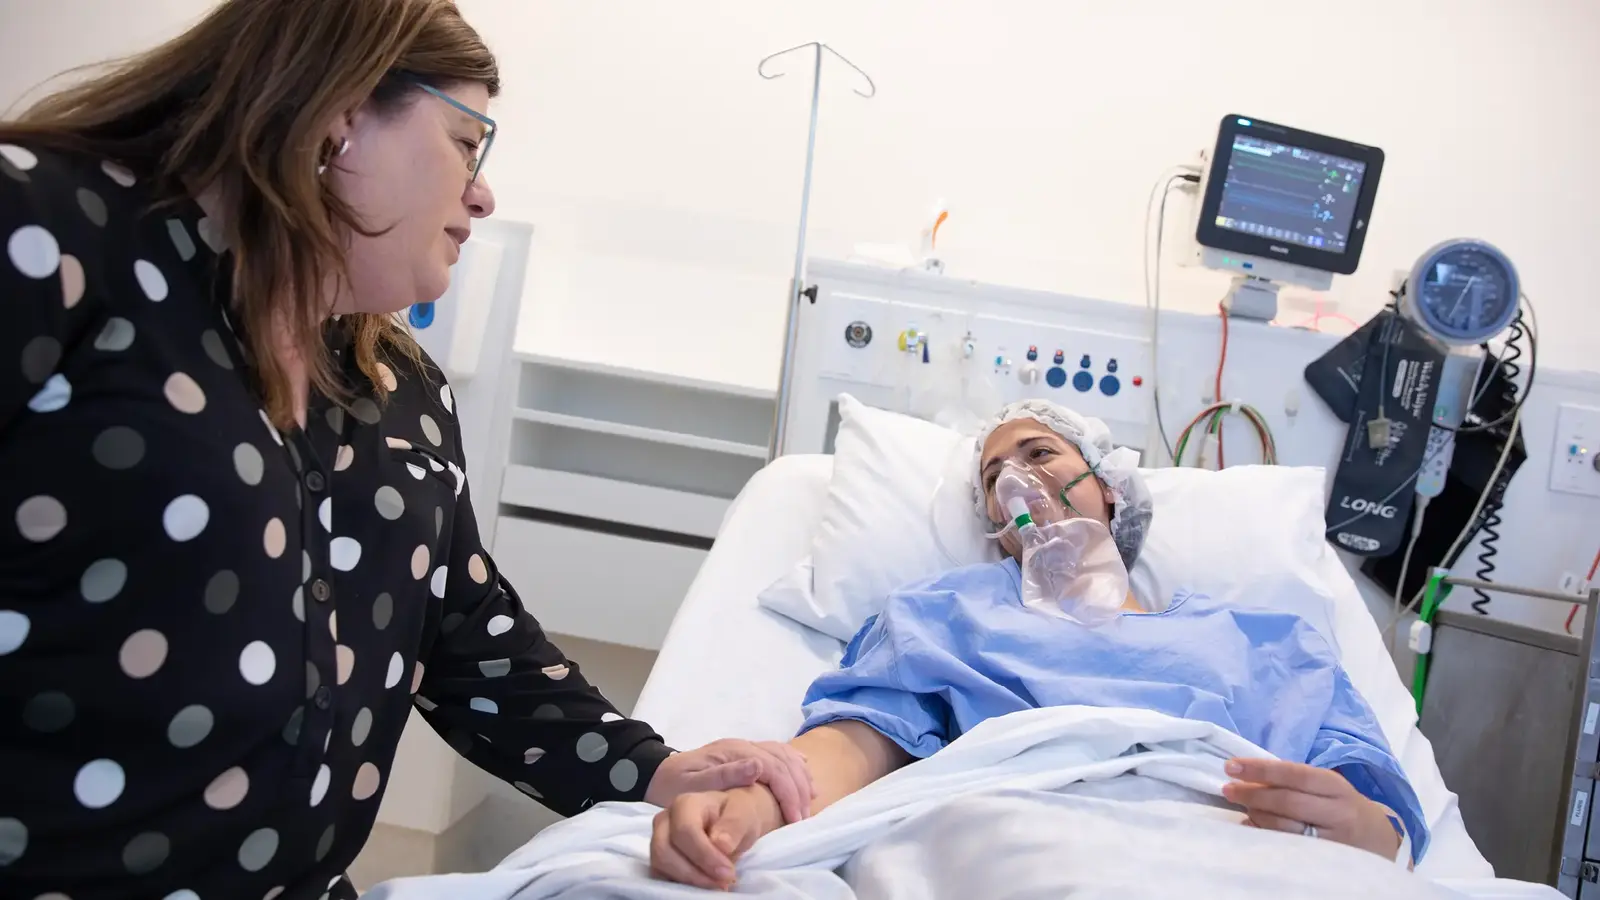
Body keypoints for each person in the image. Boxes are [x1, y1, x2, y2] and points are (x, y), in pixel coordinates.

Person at [0, 2, 811, 898]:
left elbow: (467, 640)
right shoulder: (48, 234)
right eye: (467, 143)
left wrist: (659, 771)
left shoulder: (398, 388)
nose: (483, 194)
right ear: (341, 113)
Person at [649, 400, 1426, 890]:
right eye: (995, 475)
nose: (1017, 479)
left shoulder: (1267, 640)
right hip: (1027, 836)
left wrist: (1357, 830)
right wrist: (754, 804)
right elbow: (856, 744)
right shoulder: (946, 612)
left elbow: (1376, 815)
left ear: (1109, 488)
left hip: (1230, 848)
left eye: (1041, 454)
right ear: (995, 524)